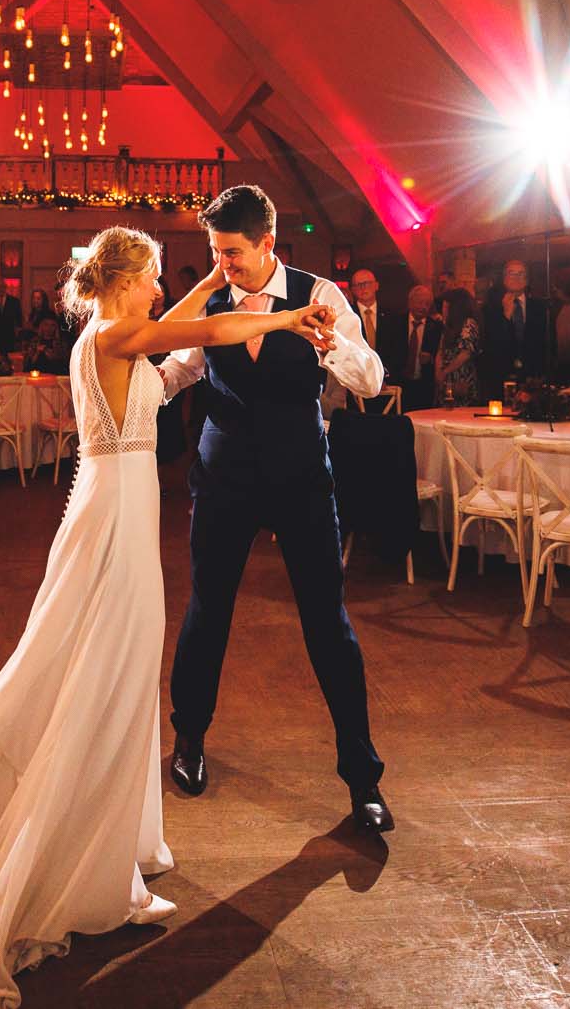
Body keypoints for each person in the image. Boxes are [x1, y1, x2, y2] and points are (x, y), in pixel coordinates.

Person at [0, 226, 335, 1005]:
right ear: (126, 280)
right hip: (114, 519)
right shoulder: (118, 334)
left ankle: (111, 846)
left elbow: (184, 316)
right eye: (152, 276)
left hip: (113, 506)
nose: (160, 287)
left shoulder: (110, 332)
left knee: (116, 675)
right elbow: (208, 328)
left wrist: (214, 282)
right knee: (105, 678)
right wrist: (284, 316)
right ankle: (72, 861)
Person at [156, 185, 393, 833]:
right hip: (224, 471)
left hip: (299, 476)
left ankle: (363, 777)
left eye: (232, 253)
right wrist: (133, 393)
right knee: (209, 607)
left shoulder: (321, 296)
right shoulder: (213, 295)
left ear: (268, 241)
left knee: (328, 621)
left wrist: (330, 346)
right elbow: (181, 367)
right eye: (215, 252)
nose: (222, 265)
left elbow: (369, 378)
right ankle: (190, 739)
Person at [477, 258, 542, 400]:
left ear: (527, 280)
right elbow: (490, 344)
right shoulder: (490, 308)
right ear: (504, 279)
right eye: (512, 273)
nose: (516, 278)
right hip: (500, 378)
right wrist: (505, 316)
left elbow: (548, 346)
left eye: (521, 274)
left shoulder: (540, 308)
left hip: (532, 379)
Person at [377, 282, 441, 411]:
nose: (423, 307)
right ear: (410, 302)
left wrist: (431, 359)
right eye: (419, 302)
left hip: (424, 386)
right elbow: (384, 353)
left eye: (427, 304)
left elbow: (442, 356)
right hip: (398, 384)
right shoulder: (394, 323)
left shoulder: (436, 328)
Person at [436, 289, 481, 407]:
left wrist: (445, 371)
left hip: (461, 376)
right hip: (447, 377)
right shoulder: (449, 327)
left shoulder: (468, 324)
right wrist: (438, 372)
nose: (443, 310)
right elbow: (440, 350)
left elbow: (466, 353)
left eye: (446, 307)